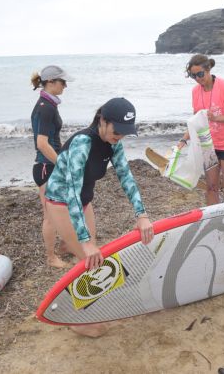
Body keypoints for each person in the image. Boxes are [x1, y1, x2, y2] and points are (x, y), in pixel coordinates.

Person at [44, 97, 154, 337]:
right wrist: (85, 240)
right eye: (117, 130)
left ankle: (86, 309)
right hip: (61, 202)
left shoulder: (113, 143)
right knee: (88, 256)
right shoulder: (83, 142)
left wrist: (142, 215)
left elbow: (126, 177)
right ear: (103, 120)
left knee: (93, 260)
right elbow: (71, 190)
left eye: (126, 132)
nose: (120, 136)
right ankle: (76, 320)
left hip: (83, 202)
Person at [178, 54, 224, 205]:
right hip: (208, 146)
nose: (197, 78)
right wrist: (184, 139)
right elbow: (196, 121)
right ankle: (215, 223)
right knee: (211, 187)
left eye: (200, 74)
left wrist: (215, 118)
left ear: (208, 70)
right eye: (193, 75)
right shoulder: (195, 92)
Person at [31, 65, 73, 268]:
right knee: (50, 215)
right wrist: (61, 164)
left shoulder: (49, 105)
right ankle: (51, 257)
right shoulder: (45, 107)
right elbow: (42, 143)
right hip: (47, 168)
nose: (65, 85)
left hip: (50, 165)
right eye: (62, 82)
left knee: (64, 207)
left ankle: (65, 246)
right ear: (50, 82)